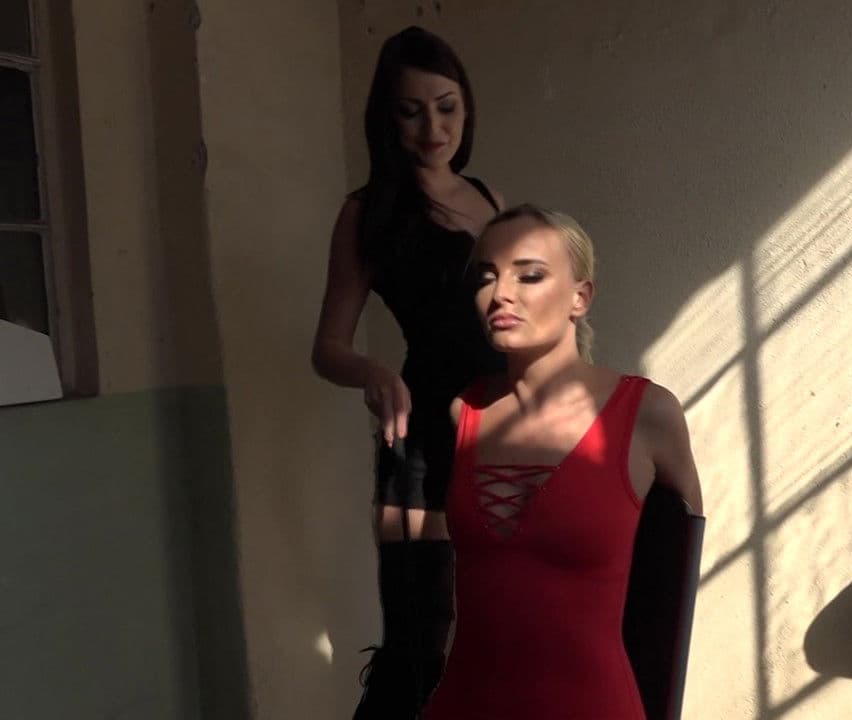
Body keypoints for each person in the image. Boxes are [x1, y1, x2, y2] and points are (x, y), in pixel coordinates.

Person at [423, 205, 704, 720]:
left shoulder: (648, 414)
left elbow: (673, 588)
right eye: (487, 276)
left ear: (581, 296)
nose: (501, 294)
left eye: (529, 275)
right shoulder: (463, 411)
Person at [310, 25, 506, 719]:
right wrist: (370, 371)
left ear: (466, 107)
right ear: (386, 121)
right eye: (412, 112)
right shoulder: (367, 212)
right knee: (420, 639)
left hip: (505, 428)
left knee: (501, 625)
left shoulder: (488, 196)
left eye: (447, 108)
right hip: (420, 436)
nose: (434, 129)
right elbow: (326, 347)